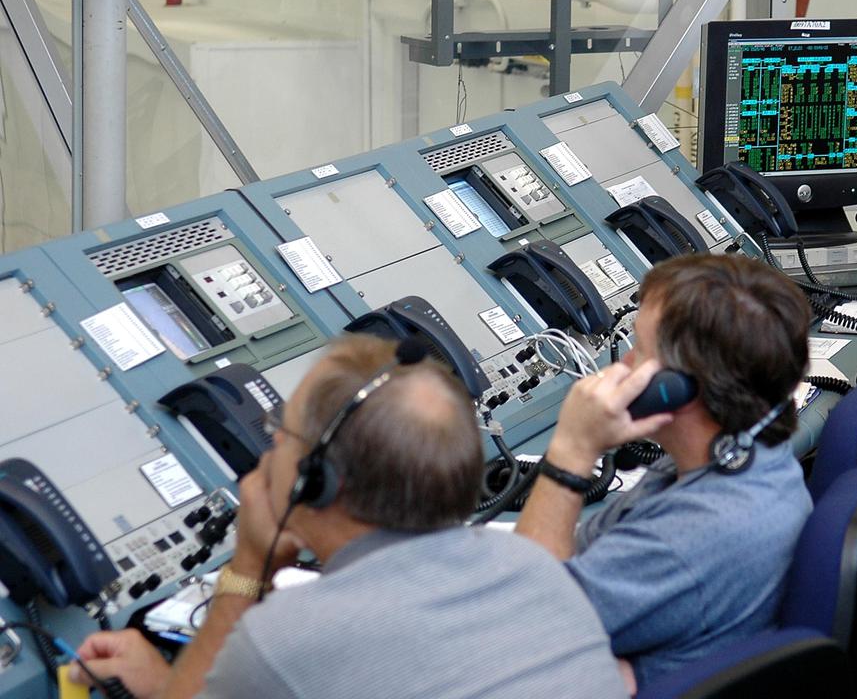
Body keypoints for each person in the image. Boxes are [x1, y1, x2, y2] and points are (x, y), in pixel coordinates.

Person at [71, 335, 625, 699]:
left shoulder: (287, 639)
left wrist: (246, 569)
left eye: (280, 436)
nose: (268, 456)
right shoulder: (534, 564)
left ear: (317, 480)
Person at [515, 253, 813, 689]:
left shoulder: (693, 533)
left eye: (638, 348)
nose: (622, 364)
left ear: (678, 387)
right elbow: (583, 551)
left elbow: (518, 621)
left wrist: (572, 450)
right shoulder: (742, 458)